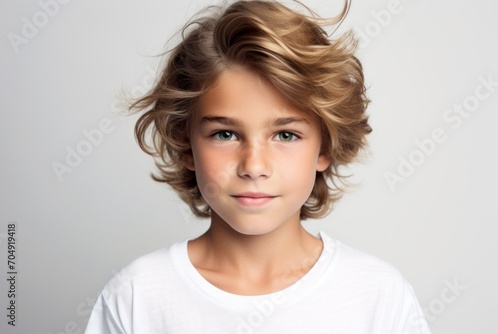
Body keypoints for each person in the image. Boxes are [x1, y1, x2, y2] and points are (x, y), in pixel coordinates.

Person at [85, 0, 431, 333]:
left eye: (285, 135)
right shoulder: (137, 297)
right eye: (225, 134)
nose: (254, 166)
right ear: (185, 143)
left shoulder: (378, 297)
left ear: (324, 147)